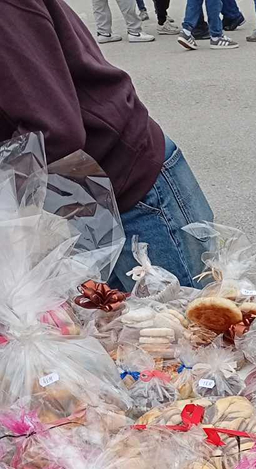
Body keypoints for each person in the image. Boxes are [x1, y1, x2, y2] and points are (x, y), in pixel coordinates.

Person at [0, 0, 213, 288]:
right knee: (119, 315)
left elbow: (54, 130)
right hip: (83, 198)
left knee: (190, 312)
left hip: (132, 189)